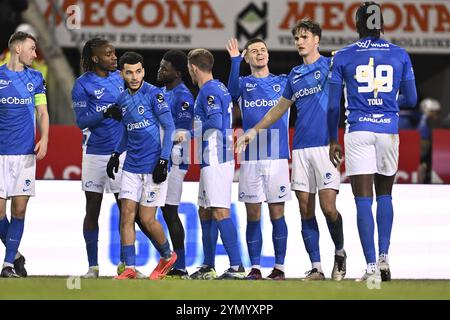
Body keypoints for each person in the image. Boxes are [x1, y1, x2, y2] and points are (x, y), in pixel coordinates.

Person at [237, 19, 347, 281]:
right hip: (299, 149)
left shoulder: (331, 64)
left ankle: (340, 253)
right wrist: (254, 130)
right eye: (296, 38)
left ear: (316, 40)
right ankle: (317, 266)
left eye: (304, 37)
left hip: (325, 147)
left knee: (328, 207)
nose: (299, 42)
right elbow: (278, 109)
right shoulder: (294, 75)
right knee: (305, 209)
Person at [327, 1, 417, 281]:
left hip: (358, 130)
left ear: (357, 25)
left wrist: (333, 139)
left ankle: (369, 268)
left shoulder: (342, 56)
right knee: (386, 195)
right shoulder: (400, 54)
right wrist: (389, 102)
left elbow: (332, 107)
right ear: (382, 25)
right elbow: (412, 100)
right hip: (388, 130)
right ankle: (384, 258)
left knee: (363, 200)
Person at [72, 38, 153, 278]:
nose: (113, 57)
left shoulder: (122, 78)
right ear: (95, 58)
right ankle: (92, 267)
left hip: (122, 154)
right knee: (92, 210)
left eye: (113, 53)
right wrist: (104, 112)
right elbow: (81, 121)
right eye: (108, 54)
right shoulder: (82, 84)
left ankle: (126, 265)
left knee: (127, 211)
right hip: (94, 153)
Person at [176, 48, 245, 280]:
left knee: (219, 211)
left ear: (193, 68)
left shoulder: (208, 91)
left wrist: (189, 133)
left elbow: (215, 121)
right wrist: (235, 62)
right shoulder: (219, 88)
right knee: (205, 211)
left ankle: (237, 267)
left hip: (217, 157)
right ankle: (208, 265)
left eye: (189, 69)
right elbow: (233, 93)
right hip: (210, 159)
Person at [108, 51, 177, 280]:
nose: (134, 76)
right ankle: (129, 268)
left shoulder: (153, 94)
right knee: (126, 215)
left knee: (147, 219)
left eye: (138, 71)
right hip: (131, 167)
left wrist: (163, 160)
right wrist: (116, 154)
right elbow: (128, 131)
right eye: (129, 72)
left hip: (153, 166)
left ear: (144, 72)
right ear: (122, 74)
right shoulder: (122, 99)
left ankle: (168, 256)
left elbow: (169, 128)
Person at [226, 38, 290, 280]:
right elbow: (231, 95)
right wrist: (234, 62)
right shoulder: (243, 83)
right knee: (253, 215)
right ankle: (254, 267)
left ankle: (280, 268)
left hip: (278, 157)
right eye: (254, 51)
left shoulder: (283, 82)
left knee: (277, 214)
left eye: (263, 50)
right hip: (251, 157)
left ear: (268, 55)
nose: (260, 54)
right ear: (248, 58)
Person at [0, 31, 49, 277]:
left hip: (25, 154)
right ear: (17, 49)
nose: (35, 53)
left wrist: (45, 137)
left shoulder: (36, 77)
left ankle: (8, 264)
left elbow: (42, 112)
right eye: (31, 48)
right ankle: (17, 254)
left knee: (19, 210)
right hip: (0, 154)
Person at [156, 50, 194, 279]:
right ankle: (170, 259)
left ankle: (180, 266)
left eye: (165, 67)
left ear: (178, 73)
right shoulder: (160, 93)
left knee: (170, 211)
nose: (160, 69)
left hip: (173, 161)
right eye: (160, 65)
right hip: (158, 158)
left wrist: (167, 159)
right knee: (155, 211)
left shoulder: (183, 97)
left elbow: (182, 133)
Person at [418, 98, 441, 183]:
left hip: (427, 147)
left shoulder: (425, 119)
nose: (436, 114)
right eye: (433, 111)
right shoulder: (425, 119)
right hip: (423, 146)